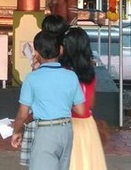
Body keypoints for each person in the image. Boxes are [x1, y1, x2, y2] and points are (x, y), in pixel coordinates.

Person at [12, 30, 85, 170]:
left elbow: (22, 113)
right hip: (67, 131)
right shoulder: (71, 76)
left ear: (37, 53)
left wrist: (17, 131)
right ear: (61, 50)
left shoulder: (32, 78)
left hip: (46, 132)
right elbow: (81, 110)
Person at [60, 26, 108, 170]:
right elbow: (90, 103)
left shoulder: (65, 74)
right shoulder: (90, 73)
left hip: (68, 126)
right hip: (87, 125)